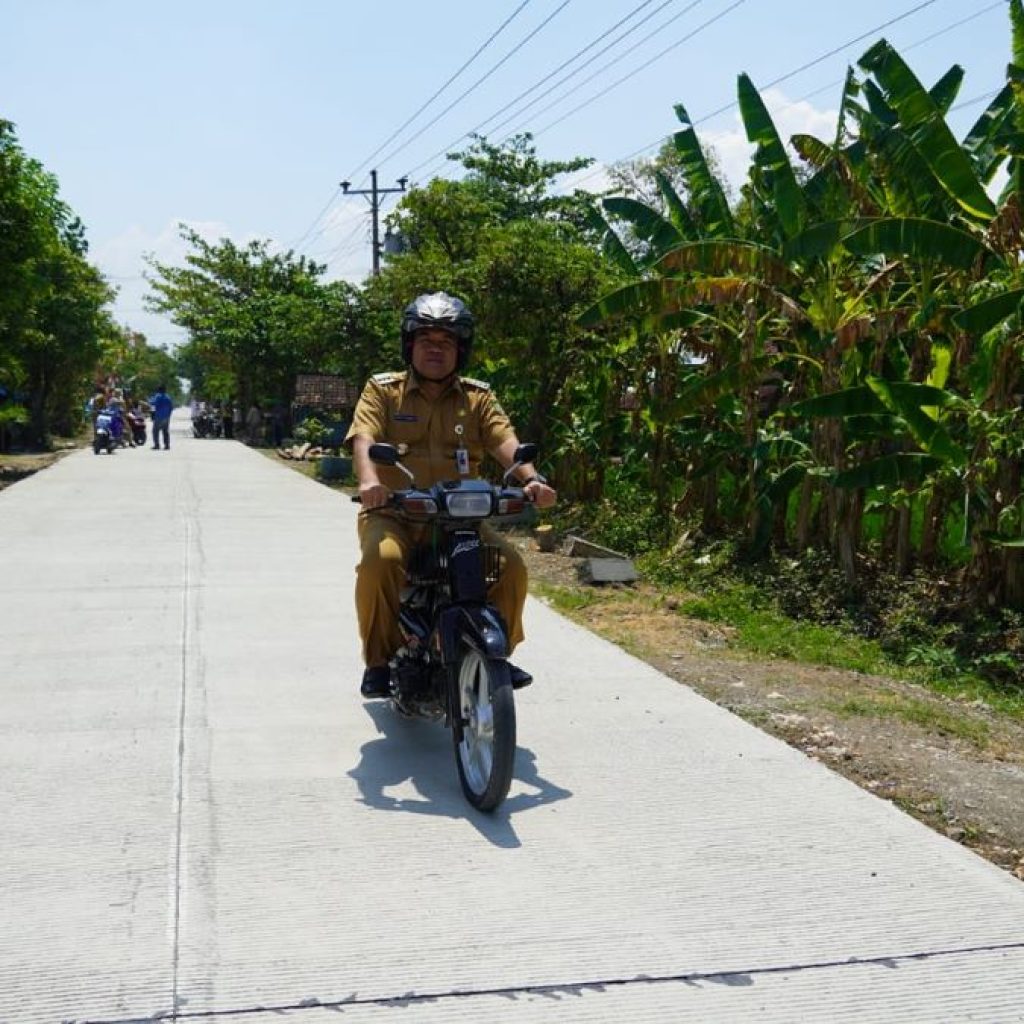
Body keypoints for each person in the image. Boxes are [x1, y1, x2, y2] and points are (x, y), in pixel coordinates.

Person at [345, 291, 556, 699]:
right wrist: (370, 483)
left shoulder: (478, 398)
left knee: (511, 567)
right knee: (380, 561)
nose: (435, 349)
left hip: (459, 518)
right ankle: (378, 661)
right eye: (426, 340)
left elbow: (505, 442)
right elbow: (364, 438)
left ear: (461, 350)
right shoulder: (383, 391)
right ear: (410, 345)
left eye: (446, 342)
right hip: (393, 513)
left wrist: (531, 479)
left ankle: (495, 658)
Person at [149, 384, 174, 450]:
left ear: (158, 390)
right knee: (165, 431)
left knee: (155, 431)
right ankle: (167, 445)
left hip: (158, 416)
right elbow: (171, 407)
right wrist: (168, 415)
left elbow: (153, 403)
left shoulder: (157, 396)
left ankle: (157, 445)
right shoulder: (168, 397)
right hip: (166, 417)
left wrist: (152, 414)